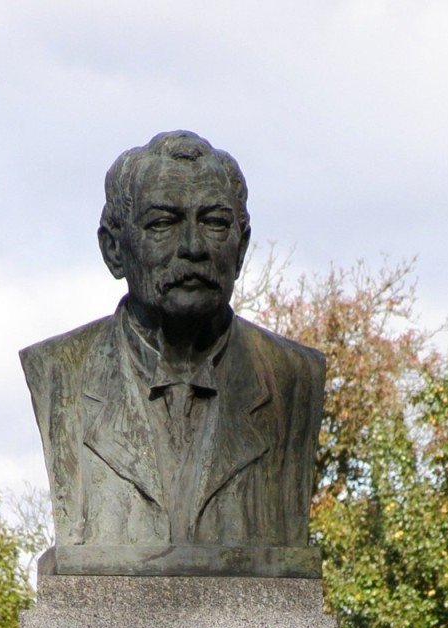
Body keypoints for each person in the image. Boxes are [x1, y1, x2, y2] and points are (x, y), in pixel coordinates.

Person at [21, 131, 324, 563]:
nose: (194, 247)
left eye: (215, 223)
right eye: (163, 223)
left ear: (241, 249)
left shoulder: (293, 378)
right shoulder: (59, 373)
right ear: (114, 250)